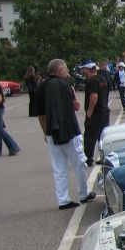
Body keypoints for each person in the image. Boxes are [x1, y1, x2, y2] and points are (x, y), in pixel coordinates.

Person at [37, 59, 94, 210]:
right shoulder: (64, 83)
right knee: (79, 163)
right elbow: (76, 106)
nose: (68, 71)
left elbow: (40, 114)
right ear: (60, 70)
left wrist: (45, 131)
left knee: (59, 167)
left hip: (51, 132)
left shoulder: (42, 86)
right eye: (66, 68)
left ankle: (63, 199)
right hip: (68, 129)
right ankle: (83, 194)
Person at [80, 61, 110, 166]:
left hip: (96, 113)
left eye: (84, 69)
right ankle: (105, 156)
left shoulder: (92, 81)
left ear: (88, 70)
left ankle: (88, 159)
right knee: (103, 136)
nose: (83, 71)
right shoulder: (102, 78)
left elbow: (94, 95)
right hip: (104, 110)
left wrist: (90, 110)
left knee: (90, 136)